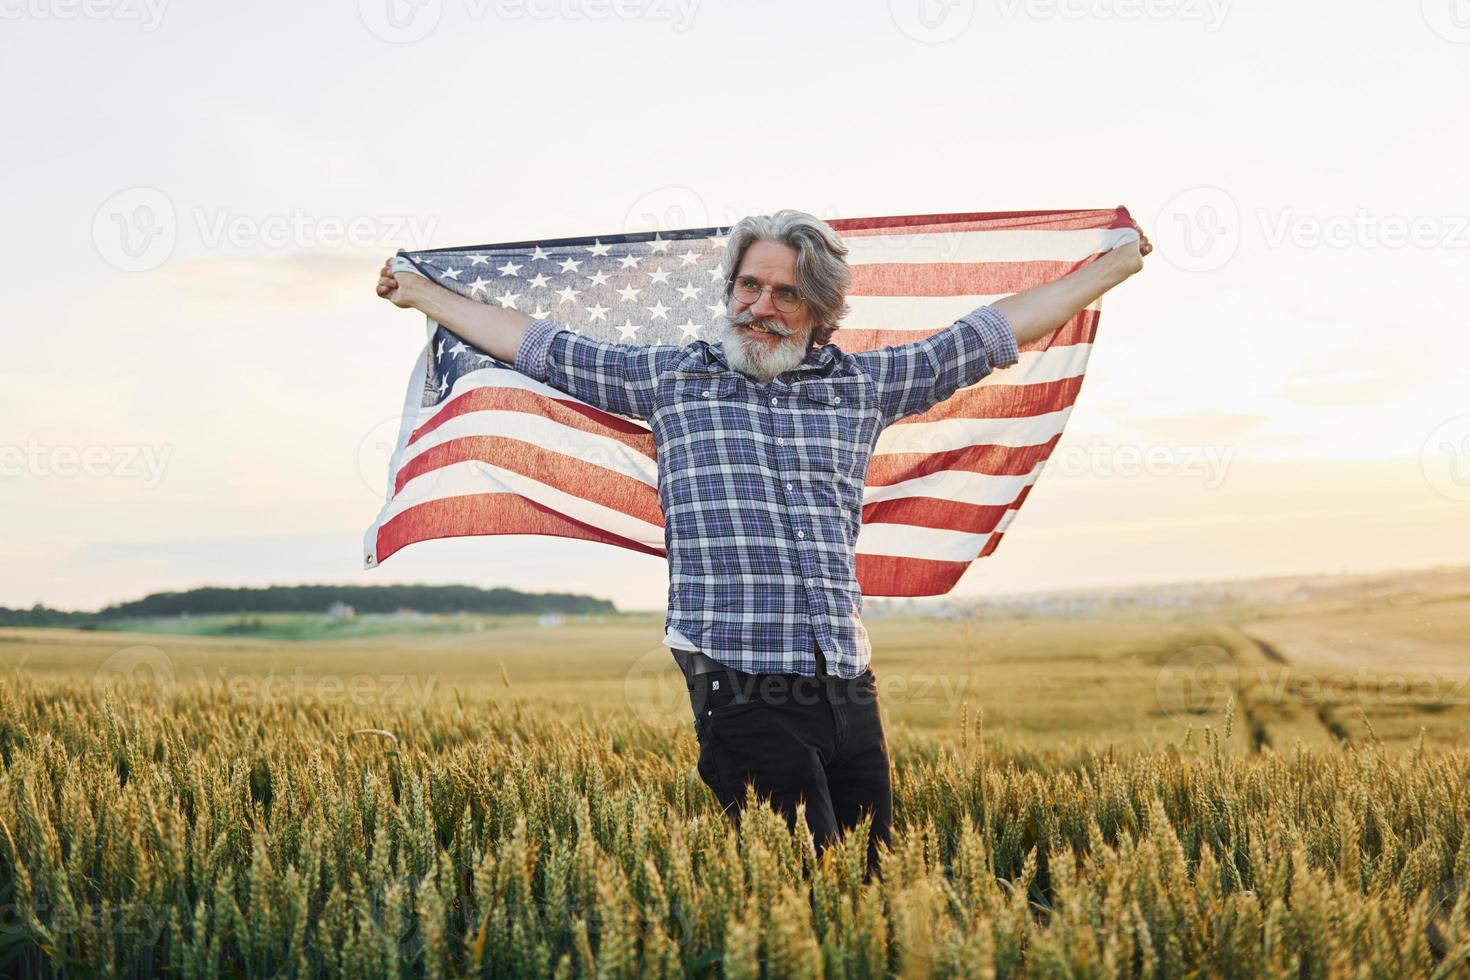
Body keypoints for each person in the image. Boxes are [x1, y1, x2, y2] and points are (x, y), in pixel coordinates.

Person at [376, 210, 1151, 880]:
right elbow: (534, 343)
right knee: (797, 885)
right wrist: (424, 295)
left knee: (870, 885)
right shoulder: (668, 379)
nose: (762, 306)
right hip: (737, 679)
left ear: (820, 309)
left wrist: (1113, 266)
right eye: (750, 286)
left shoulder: (865, 385)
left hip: (847, 681)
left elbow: (990, 332)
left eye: (786, 293)